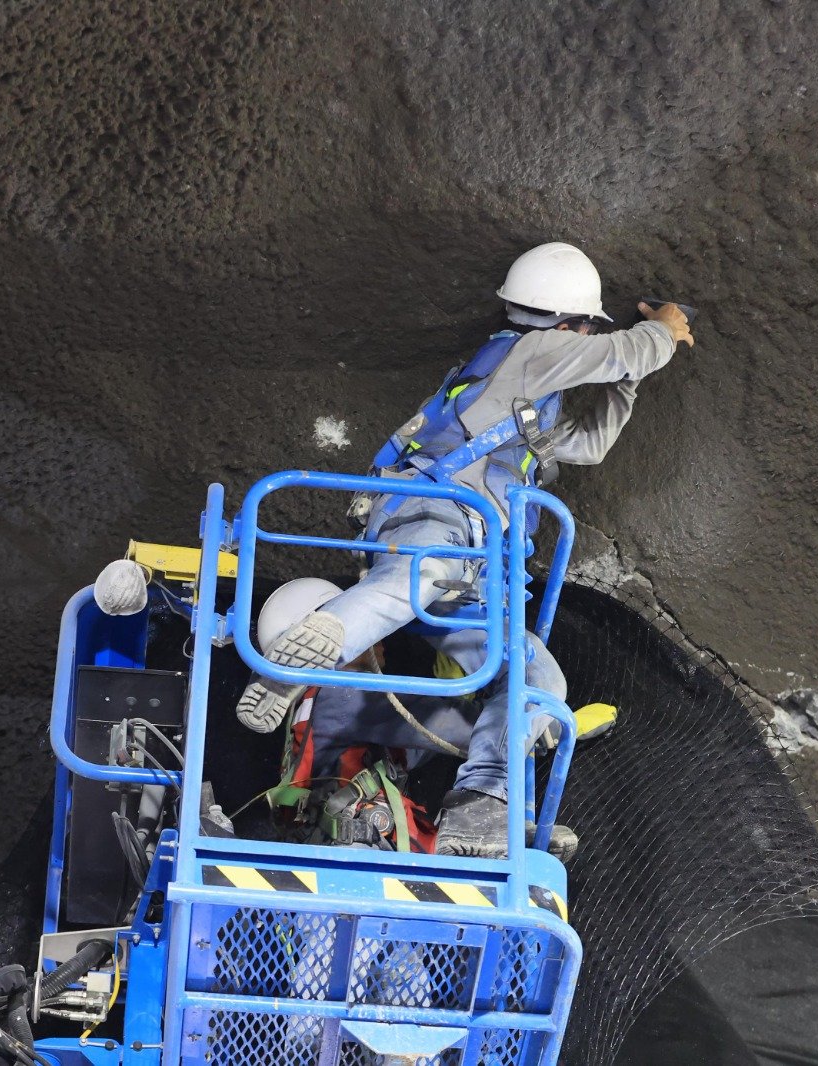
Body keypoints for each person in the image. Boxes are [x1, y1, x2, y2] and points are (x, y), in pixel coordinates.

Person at [236, 241, 693, 857]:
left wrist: (629, 377)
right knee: (418, 579)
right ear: (573, 323)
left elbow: (590, 446)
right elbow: (622, 351)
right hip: (437, 517)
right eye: (588, 328)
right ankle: (308, 657)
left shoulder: (521, 402)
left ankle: (481, 808)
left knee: (537, 678)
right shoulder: (534, 352)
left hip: (475, 564)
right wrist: (659, 330)